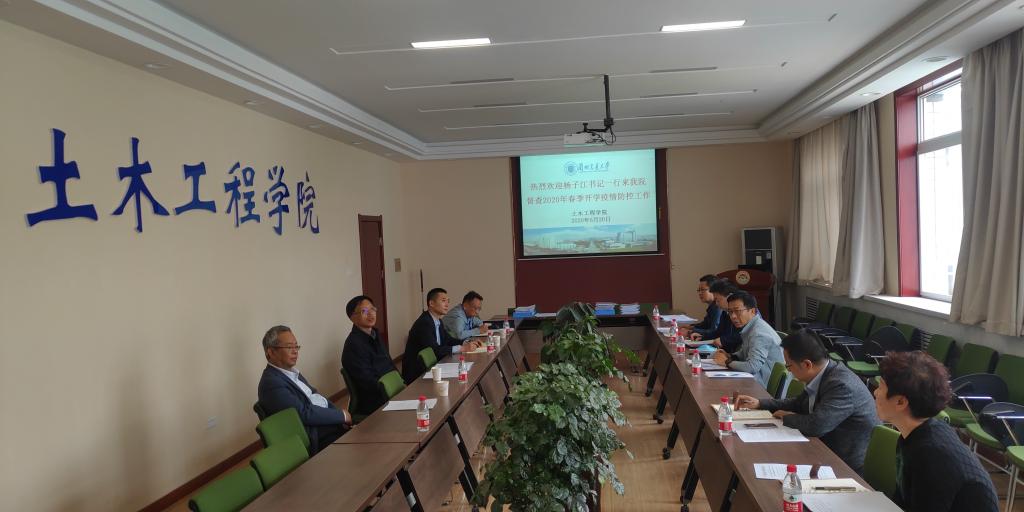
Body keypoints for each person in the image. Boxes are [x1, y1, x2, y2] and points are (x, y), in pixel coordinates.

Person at [735, 330, 880, 473]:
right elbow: (798, 403)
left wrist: (787, 417)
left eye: (789, 366)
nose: (789, 371)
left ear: (807, 364)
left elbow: (817, 425)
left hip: (845, 465)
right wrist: (760, 403)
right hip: (823, 448)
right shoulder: (825, 373)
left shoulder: (841, 385)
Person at [875, 351, 998, 512]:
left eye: (880, 387)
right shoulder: (916, 434)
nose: (875, 392)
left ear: (900, 402)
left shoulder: (931, 453)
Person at [257, 325, 351, 454]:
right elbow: (304, 413)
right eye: (289, 347)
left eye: (296, 346)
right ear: (271, 352)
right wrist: (341, 416)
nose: (295, 351)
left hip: (327, 425)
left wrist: (339, 416)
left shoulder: (291, 373)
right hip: (315, 437)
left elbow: (317, 398)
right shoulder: (271, 383)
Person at [402, 288, 481, 383]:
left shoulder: (438, 320)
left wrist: (466, 342)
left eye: (448, 301)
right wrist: (462, 348)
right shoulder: (424, 323)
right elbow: (435, 350)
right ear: (431, 303)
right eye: (443, 301)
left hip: (434, 366)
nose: (447, 304)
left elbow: (448, 339)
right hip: (418, 374)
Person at [712, 291, 783, 387]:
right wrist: (729, 356)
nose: (733, 316)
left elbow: (752, 367)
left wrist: (727, 362)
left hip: (763, 387)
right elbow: (744, 353)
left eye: (737, 311)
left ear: (752, 311)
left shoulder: (759, 333)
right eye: (730, 312)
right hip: (754, 380)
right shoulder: (751, 327)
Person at [341, 295, 397, 416]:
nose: (371, 314)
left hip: (391, 389)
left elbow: (389, 362)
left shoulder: (375, 334)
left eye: (372, 309)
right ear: (352, 318)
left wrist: (400, 382)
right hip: (375, 400)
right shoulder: (353, 345)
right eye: (364, 311)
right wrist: (392, 390)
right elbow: (368, 381)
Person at [690, 279, 743, 352]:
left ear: (729, 297)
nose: (716, 304)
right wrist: (702, 337)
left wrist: (723, 340)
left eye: (717, 300)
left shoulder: (743, 313)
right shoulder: (725, 313)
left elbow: (741, 335)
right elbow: (718, 332)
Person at [680, 275, 720, 339]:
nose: (700, 293)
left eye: (703, 290)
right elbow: (705, 324)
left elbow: (714, 331)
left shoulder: (718, 307)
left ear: (713, 290)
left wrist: (690, 332)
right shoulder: (712, 306)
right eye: (699, 290)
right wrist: (691, 327)